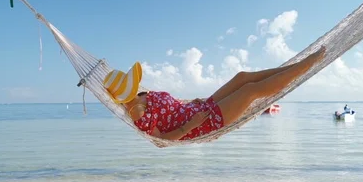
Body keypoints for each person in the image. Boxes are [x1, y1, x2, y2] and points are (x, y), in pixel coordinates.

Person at [103, 46, 326, 141]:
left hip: (199, 107)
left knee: (242, 77)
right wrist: (190, 125)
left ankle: (291, 68)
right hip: (205, 122)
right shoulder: (138, 115)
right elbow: (161, 140)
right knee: (250, 91)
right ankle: (305, 65)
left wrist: (190, 103)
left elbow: (170, 110)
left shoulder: (142, 95)